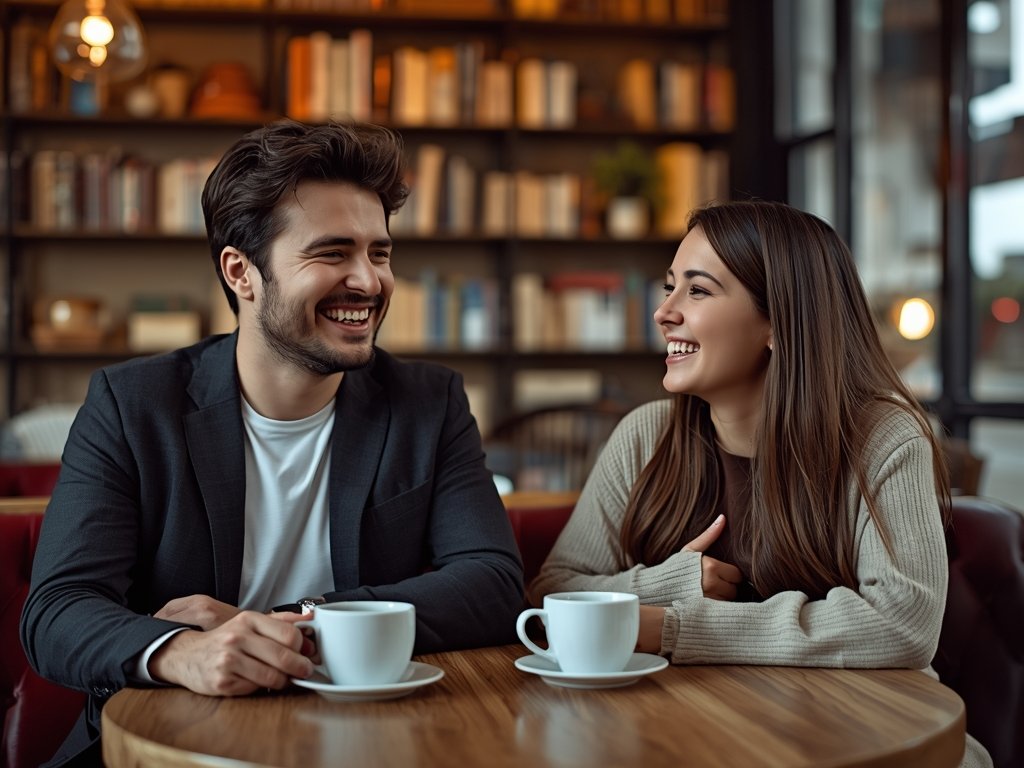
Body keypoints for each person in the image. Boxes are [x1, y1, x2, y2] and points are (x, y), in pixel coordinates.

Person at [21, 120, 524, 766]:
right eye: (332, 253)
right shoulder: (133, 405)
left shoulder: (429, 403)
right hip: (163, 743)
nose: (369, 282)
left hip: (368, 740)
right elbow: (56, 612)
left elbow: (492, 582)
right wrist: (182, 650)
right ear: (241, 272)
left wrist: (291, 622)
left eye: (380, 253)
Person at [528, 200, 991, 768]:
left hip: (877, 742)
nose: (663, 312)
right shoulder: (644, 437)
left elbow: (900, 625)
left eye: (696, 291)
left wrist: (677, 628)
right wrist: (669, 584)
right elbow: (551, 591)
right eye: (669, 287)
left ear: (777, 320)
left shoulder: (884, 439)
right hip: (702, 738)